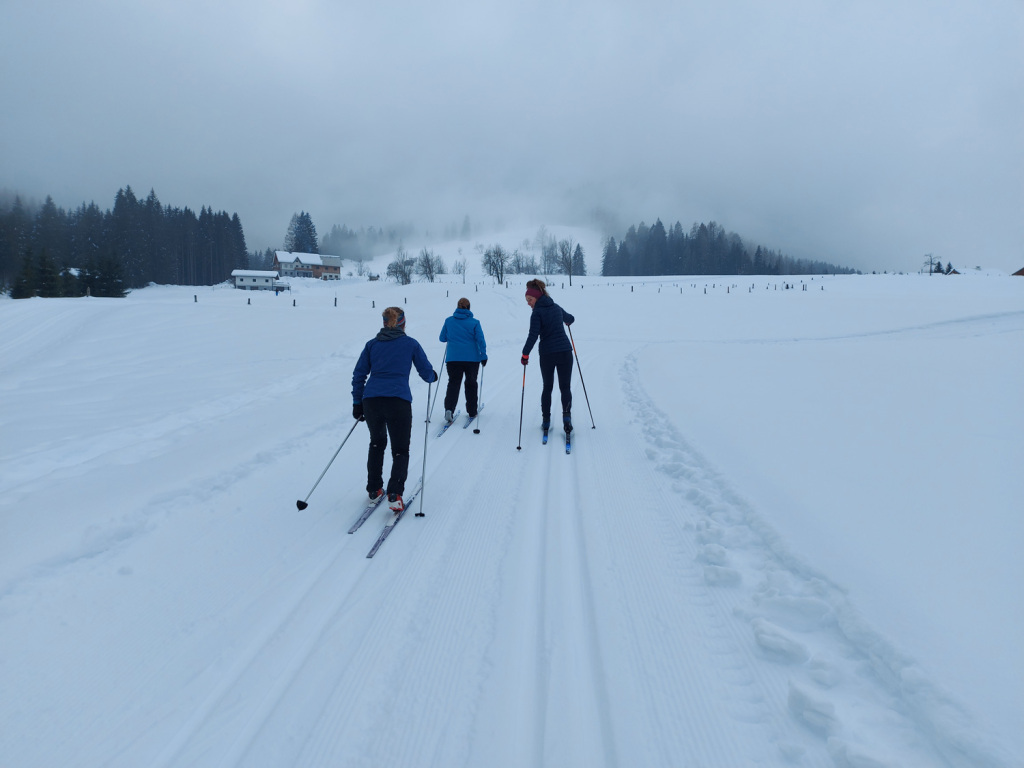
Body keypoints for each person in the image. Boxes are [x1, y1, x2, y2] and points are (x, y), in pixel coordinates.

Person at [352, 307, 437, 512]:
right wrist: (432, 376)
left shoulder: (372, 345)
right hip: (398, 401)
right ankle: (394, 493)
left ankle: (374, 489)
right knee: (400, 449)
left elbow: (359, 374)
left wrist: (357, 403)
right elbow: (426, 372)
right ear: (403, 323)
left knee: (377, 443)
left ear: (384, 323)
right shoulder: (410, 344)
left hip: (372, 400)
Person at [521, 278, 575, 433]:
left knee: (548, 387)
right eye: (527, 300)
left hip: (547, 354)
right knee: (565, 387)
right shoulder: (556, 307)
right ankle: (566, 419)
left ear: (537, 296)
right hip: (565, 352)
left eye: (529, 299)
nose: (528, 303)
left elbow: (533, 336)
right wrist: (567, 321)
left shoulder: (537, 313)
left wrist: (525, 355)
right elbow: (570, 318)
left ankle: (546, 420)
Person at [438, 297, 487, 423]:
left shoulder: (448, 321)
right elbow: (480, 340)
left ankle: (449, 409)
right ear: (469, 308)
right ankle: (472, 411)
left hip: (453, 358)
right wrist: (483, 355)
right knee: (471, 383)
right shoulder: (475, 322)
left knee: (453, 383)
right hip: (472, 359)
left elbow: (442, 338)